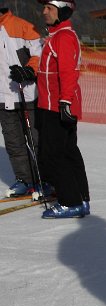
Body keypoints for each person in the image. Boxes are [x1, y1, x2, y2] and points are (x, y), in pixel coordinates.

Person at [35, 0, 89, 218]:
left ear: (62, 11)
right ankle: (81, 199)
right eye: (44, 7)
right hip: (53, 103)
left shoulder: (63, 37)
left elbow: (69, 72)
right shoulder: (57, 36)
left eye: (49, 8)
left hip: (56, 106)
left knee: (54, 154)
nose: (44, 12)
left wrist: (65, 102)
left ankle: (70, 202)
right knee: (68, 152)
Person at [1, 7, 41, 198]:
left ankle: (45, 180)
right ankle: (24, 180)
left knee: (36, 139)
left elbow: (39, 54)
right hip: (2, 98)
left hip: (26, 93)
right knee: (13, 143)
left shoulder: (21, 26)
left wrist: (29, 70)